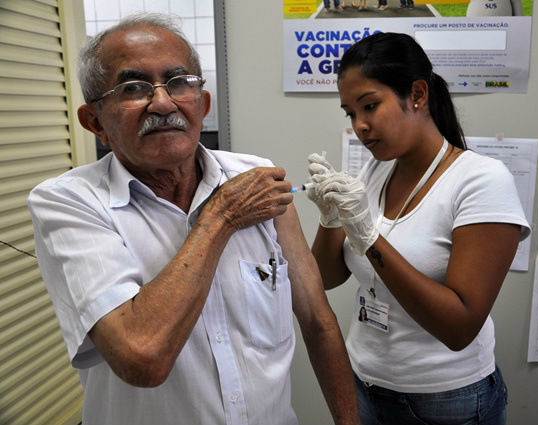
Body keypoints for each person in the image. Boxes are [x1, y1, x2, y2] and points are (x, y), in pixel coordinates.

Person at [27, 13, 359, 425]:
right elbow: (142, 356)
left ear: (201, 105)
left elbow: (318, 320)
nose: (163, 102)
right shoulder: (68, 203)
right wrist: (221, 216)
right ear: (95, 122)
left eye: (179, 82)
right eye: (133, 87)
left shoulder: (255, 177)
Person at [306, 32, 531, 425]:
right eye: (350, 113)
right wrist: (330, 220)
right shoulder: (377, 169)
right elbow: (324, 277)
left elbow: (459, 327)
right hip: (364, 381)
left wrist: (371, 238)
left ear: (418, 95)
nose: (359, 126)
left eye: (370, 106)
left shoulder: (480, 181)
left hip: (446, 399)